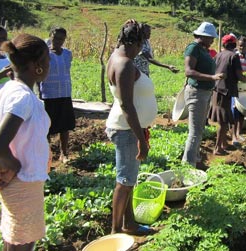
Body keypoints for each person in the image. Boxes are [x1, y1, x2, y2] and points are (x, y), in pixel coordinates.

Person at [0, 33, 51, 251]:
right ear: (36, 65)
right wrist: (14, 166)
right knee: (23, 240)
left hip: (18, 181)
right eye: (48, 61)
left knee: (14, 236)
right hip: (23, 180)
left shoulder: (9, 89)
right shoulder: (23, 98)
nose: (49, 66)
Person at [105, 19, 157, 234]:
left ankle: (129, 223)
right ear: (135, 43)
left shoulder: (117, 57)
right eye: (140, 46)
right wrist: (142, 141)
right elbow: (127, 105)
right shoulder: (125, 64)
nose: (140, 51)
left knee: (129, 181)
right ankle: (115, 233)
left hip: (127, 128)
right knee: (124, 182)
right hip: (127, 130)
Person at [182, 21, 224, 167]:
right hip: (196, 93)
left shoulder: (203, 49)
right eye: (211, 37)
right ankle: (188, 165)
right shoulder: (193, 48)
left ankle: (195, 157)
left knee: (199, 129)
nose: (213, 40)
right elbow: (189, 71)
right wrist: (212, 78)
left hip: (204, 93)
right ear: (202, 36)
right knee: (195, 131)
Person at [209, 34, 246, 155]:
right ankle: (218, 148)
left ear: (224, 45)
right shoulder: (234, 56)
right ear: (234, 45)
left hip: (216, 90)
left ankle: (224, 143)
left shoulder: (218, 55)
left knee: (222, 120)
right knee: (224, 122)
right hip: (224, 92)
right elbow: (240, 76)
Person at [39, 27, 76, 163]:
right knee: (46, 127)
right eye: (55, 38)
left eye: (61, 39)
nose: (58, 41)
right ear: (50, 37)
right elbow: (39, 73)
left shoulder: (67, 54)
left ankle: (63, 153)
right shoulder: (44, 54)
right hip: (48, 94)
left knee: (65, 126)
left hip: (64, 93)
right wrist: (39, 93)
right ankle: (46, 155)